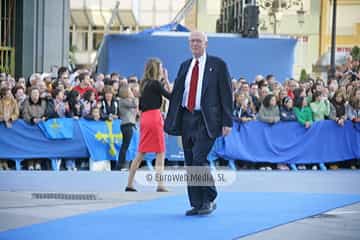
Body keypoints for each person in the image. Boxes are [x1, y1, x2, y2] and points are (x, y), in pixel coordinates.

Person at [165, 31, 233, 216]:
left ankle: (209, 198)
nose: (195, 44)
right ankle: (197, 203)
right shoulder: (184, 66)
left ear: (206, 43)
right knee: (190, 162)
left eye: (198, 41)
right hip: (187, 118)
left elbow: (226, 94)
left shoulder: (217, 65)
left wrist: (227, 121)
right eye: (192, 41)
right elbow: (178, 94)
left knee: (199, 158)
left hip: (207, 119)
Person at [125, 58, 171, 192]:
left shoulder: (143, 84)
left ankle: (129, 183)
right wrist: (167, 81)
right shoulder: (156, 84)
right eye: (161, 68)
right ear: (157, 69)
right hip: (155, 117)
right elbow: (171, 96)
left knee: (141, 152)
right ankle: (160, 184)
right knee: (160, 152)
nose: (163, 70)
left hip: (145, 118)